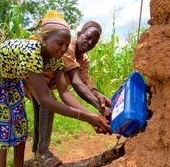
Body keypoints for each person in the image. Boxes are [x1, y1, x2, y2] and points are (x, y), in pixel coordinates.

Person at [0, 11, 110, 167]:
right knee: (1, 127)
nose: (63, 48)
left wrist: (90, 116)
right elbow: (46, 99)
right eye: (60, 43)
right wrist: (88, 117)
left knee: (20, 127)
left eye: (66, 45)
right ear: (45, 39)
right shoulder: (32, 53)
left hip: (14, 79)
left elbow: (65, 93)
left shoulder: (56, 59)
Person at [24, 21, 111, 167]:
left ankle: (38, 153)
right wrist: (100, 110)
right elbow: (76, 83)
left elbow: (85, 82)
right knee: (48, 104)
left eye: (94, 42)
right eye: (88, 37)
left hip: (43, 83)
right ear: (79, 34)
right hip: (33, 77)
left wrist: (98, 96)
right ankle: (42, 151)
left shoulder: (83, 60)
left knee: (42, 110)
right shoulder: (66, 47)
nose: (90, 43)